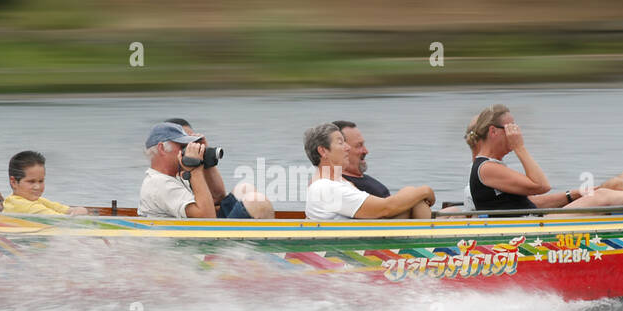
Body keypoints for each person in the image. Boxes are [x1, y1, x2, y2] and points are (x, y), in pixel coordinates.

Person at [463, 104, 623, 211]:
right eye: (511, 128)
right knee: (602, 197)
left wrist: (571, 195)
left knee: (622, 180)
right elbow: (541, 184)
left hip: (536, 221)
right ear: (494, 132)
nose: (516, 132)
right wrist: (520, 148)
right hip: (534, 230)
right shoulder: (485, 169)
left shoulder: (493, 168)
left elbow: (530, 200)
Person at [139, 122, 274, 219]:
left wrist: (206, 161)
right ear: (162, 148)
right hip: (195, 241)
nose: (187, 149)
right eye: (182, 145)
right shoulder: (159, 183)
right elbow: (207, 219)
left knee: (245, 189)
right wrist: (195, 170)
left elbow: (218, 198)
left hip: (201, 229)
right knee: (258, 204)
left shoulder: (176, 176)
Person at [303, 123, 435, 220]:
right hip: (358, 247)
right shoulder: (325, 187)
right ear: (323, 151)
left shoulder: (338, 183)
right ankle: (434, 249)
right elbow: (386, 208)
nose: (347, 147)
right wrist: (425, 190)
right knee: (412, 194)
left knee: (413, 198)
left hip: (366, 239)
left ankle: (432, 248)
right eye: (340, 143)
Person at [3, 151, 89, 216]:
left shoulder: (34, 200)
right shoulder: (23, 205)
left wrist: (76, 210)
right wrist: (80, 212)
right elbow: (62, 221)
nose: (37, 187)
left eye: (41, 181)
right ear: (13, 182)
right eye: (31, 181)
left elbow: (60, 208)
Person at [330, 120, 390, 197]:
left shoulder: (361, 179)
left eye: (363, 144)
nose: (366, 151)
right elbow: (387, 207)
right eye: (358, 146)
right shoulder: (343, 187)